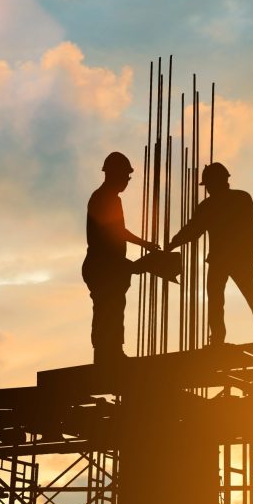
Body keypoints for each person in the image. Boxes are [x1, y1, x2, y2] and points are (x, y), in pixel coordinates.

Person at [166, 162, 253, 346]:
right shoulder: (229, 200)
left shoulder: (229, 201)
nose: (208, 188)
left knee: (240, 299)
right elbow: (194, 229)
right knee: (229, 300)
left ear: (218, 182)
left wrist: (250, 254)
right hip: (227, 259)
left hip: (231, 259)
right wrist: (173, 243)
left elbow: (252, 228)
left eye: (208, 184)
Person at [82, 152, 160, 363]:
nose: (127, 180)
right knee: (108, 310)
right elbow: (116, 232)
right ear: (114, 174)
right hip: (103, 267)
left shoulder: (108, 198)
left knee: (113, 308)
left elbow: (116, 233)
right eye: (126, 176)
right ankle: (106, 356)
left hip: (108, 266)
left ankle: (112, 353)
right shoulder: (105, 199)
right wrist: (145, 247)